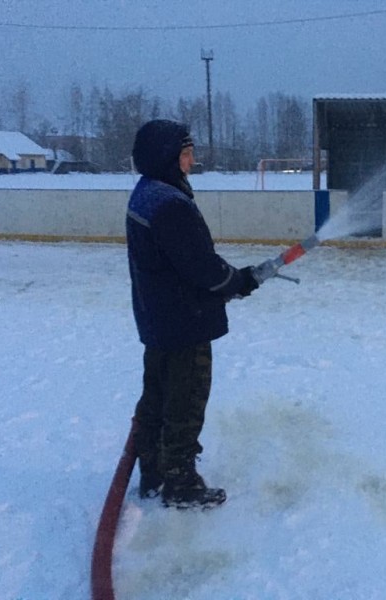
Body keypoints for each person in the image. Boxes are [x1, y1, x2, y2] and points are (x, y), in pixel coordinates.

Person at [126, 119, 260, 509]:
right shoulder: (169, 205)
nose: (191, 161)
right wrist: (237, 281)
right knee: (185, 401)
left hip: (159, 317)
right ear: (167, 158)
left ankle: (152, 471)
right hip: (184, 321)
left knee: (157, 396)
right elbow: (201, 267)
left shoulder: (147, 194)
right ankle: (181, 484)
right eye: (186, 154)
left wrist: (230, 282)